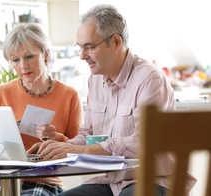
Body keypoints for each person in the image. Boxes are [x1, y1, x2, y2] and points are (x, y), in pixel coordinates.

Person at [27, 4, 197, 196]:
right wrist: (62, 148)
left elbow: (144, 143)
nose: (83, 56)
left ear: (115, 42)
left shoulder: (150, 80)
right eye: (80, 48)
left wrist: (80, 151)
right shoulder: (95, 80)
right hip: (109, 180)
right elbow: (88, 134)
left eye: (89, 47)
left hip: (153, 180)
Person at [0, 23, 83, 195]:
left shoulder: (69, 95)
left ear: (45, 55)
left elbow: (78, 152)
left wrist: (56, 138)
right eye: (15, 60)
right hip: (1, 178)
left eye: (29, 56)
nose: (23, 66)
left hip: (43, 180)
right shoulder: (1, 93)